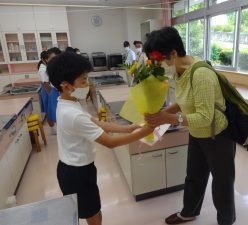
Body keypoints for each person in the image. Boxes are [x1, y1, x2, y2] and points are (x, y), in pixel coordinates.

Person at [47, 52, 153, 225]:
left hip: (76, 168)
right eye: (83, 81)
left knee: (93, 211)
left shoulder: (68, 102)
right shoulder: (72, 114)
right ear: (66, 86)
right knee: (93, 215)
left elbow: (96, 122)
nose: (87, 84)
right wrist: (143, 132)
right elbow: (110, 143)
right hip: (77, 172)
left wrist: (128, 128)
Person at [144, 27, 236, 225]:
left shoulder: (201, 74)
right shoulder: (179, 71)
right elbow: (186, 102)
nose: (158, 66)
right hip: (197, 133)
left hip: (218, 135)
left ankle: (226, 221)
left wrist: (167, 118)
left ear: (174, 53)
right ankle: (189, 212)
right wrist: (165, 112)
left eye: (160, 60)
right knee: (193, 177)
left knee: (222, 185)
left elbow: (204, 117)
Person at [46, 47, 62, 134]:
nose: (49, 60)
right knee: (53, 113)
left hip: (61, 93)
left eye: (52, 58)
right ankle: (55, 129)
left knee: (62, 114)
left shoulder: (62, 69)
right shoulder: (49, 69)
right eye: (49, 58)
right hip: (54, 92)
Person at [37, 51, 50, 115]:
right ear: (43, 59)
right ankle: (51, 124)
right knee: (48, 110)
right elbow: (46, 84)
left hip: (46, 90)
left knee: (49, 109)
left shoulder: (45, 67)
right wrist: (50, 95)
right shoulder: (43, 70)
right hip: (46, 91)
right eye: (48, 58)